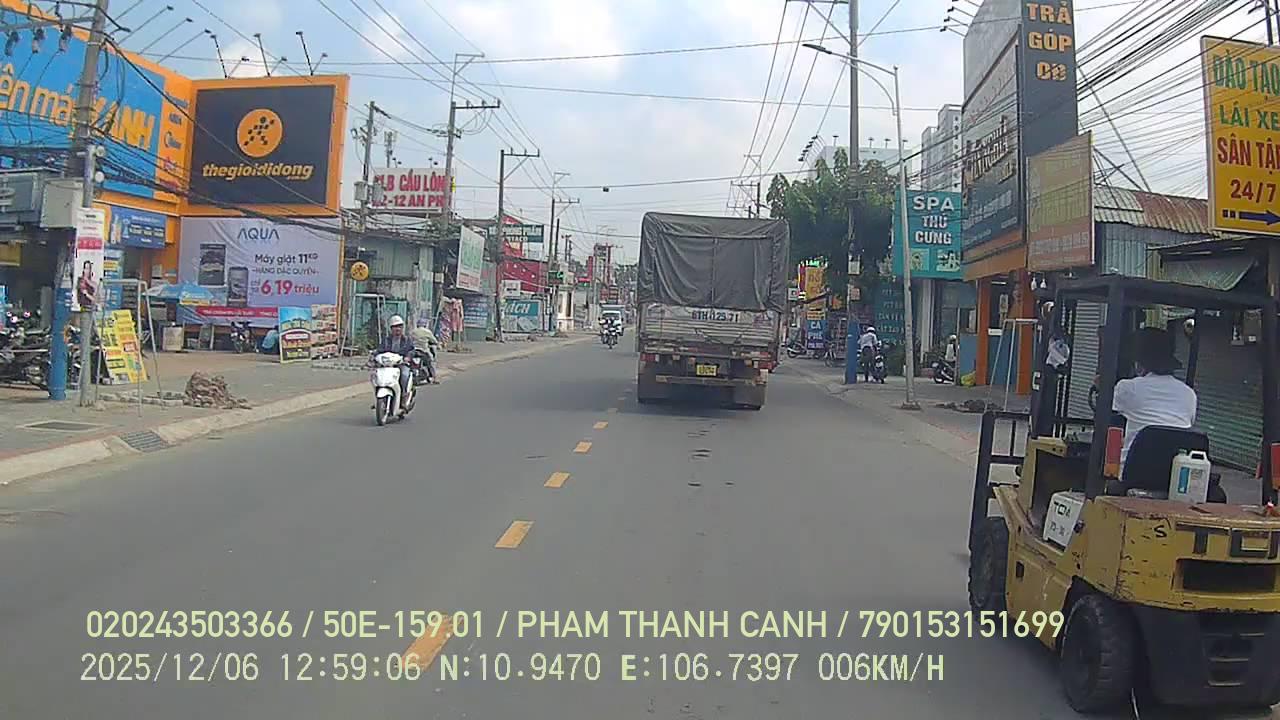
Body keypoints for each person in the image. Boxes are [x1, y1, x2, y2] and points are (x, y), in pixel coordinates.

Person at [1112, 327, 1197, 470]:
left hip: (1132, 472)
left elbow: (1107, 409)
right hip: (1173, 475)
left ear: (1139, 363)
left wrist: (1102, 387)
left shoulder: (1128, 388)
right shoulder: (1189, 394)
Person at [377, 315, 416, 404]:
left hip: (401, 364)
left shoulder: (407, 340)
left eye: (399, 326)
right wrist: (373, 357)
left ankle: (404, 395)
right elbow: (379, 350)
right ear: (391, 329)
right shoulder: (386, 340)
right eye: (395, 327)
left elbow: (412, 350)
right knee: (378, 375)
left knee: (404, 375)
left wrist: (408, 357)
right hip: (388, 365)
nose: (397, 329)